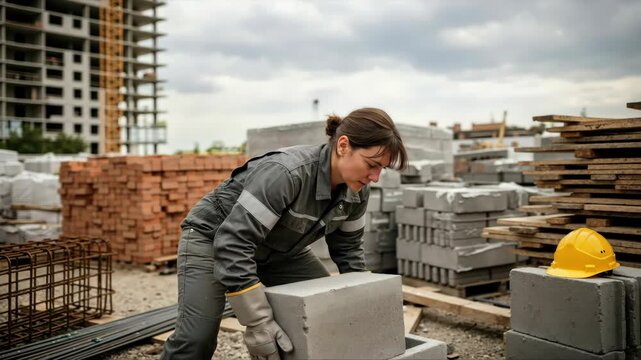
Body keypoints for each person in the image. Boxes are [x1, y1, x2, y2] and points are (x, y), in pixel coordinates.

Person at [162, 108, 408, 360]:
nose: (375, 177)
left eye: (383, 169)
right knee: (196, 339)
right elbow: (234, 243)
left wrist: (363, 305)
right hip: (214, 239)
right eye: (371, 165)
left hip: (280, 249)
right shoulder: (286, 174)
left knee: (325, 309)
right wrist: (258, 321)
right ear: (343, 145)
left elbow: (349, 249)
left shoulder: (357, 191)